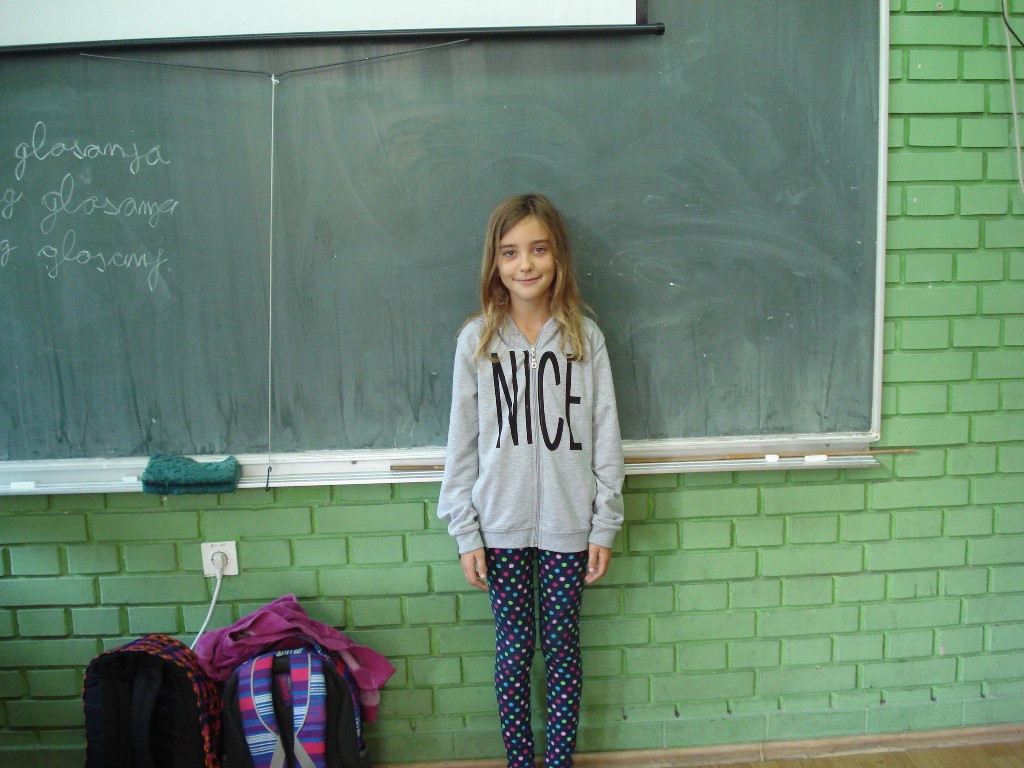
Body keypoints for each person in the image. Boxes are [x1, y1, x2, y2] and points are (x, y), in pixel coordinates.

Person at [437, 193, 625, 768]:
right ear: (495, 263)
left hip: (570, 525)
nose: (525, 264)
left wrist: (605, 523)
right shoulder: (477, 341)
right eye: (511, 252)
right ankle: (521, 761)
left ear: (558, 256)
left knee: (563, 649)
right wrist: (466, 531)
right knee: (515, 652)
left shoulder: (584, 339)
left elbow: (606, 435)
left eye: (538, 250)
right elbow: (461, 443)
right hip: (499, 528)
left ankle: (559, 760)